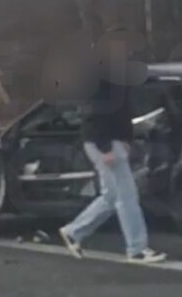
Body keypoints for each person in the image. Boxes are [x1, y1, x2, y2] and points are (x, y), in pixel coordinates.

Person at [58, 29, 166, 263]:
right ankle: (136, 249)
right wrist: (106, 146)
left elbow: (121, 112)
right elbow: (95, 113)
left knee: (112, 195)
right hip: (103, 141)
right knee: (127, 196)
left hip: (107, 140)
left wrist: (125, 139)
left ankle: (74, 231)